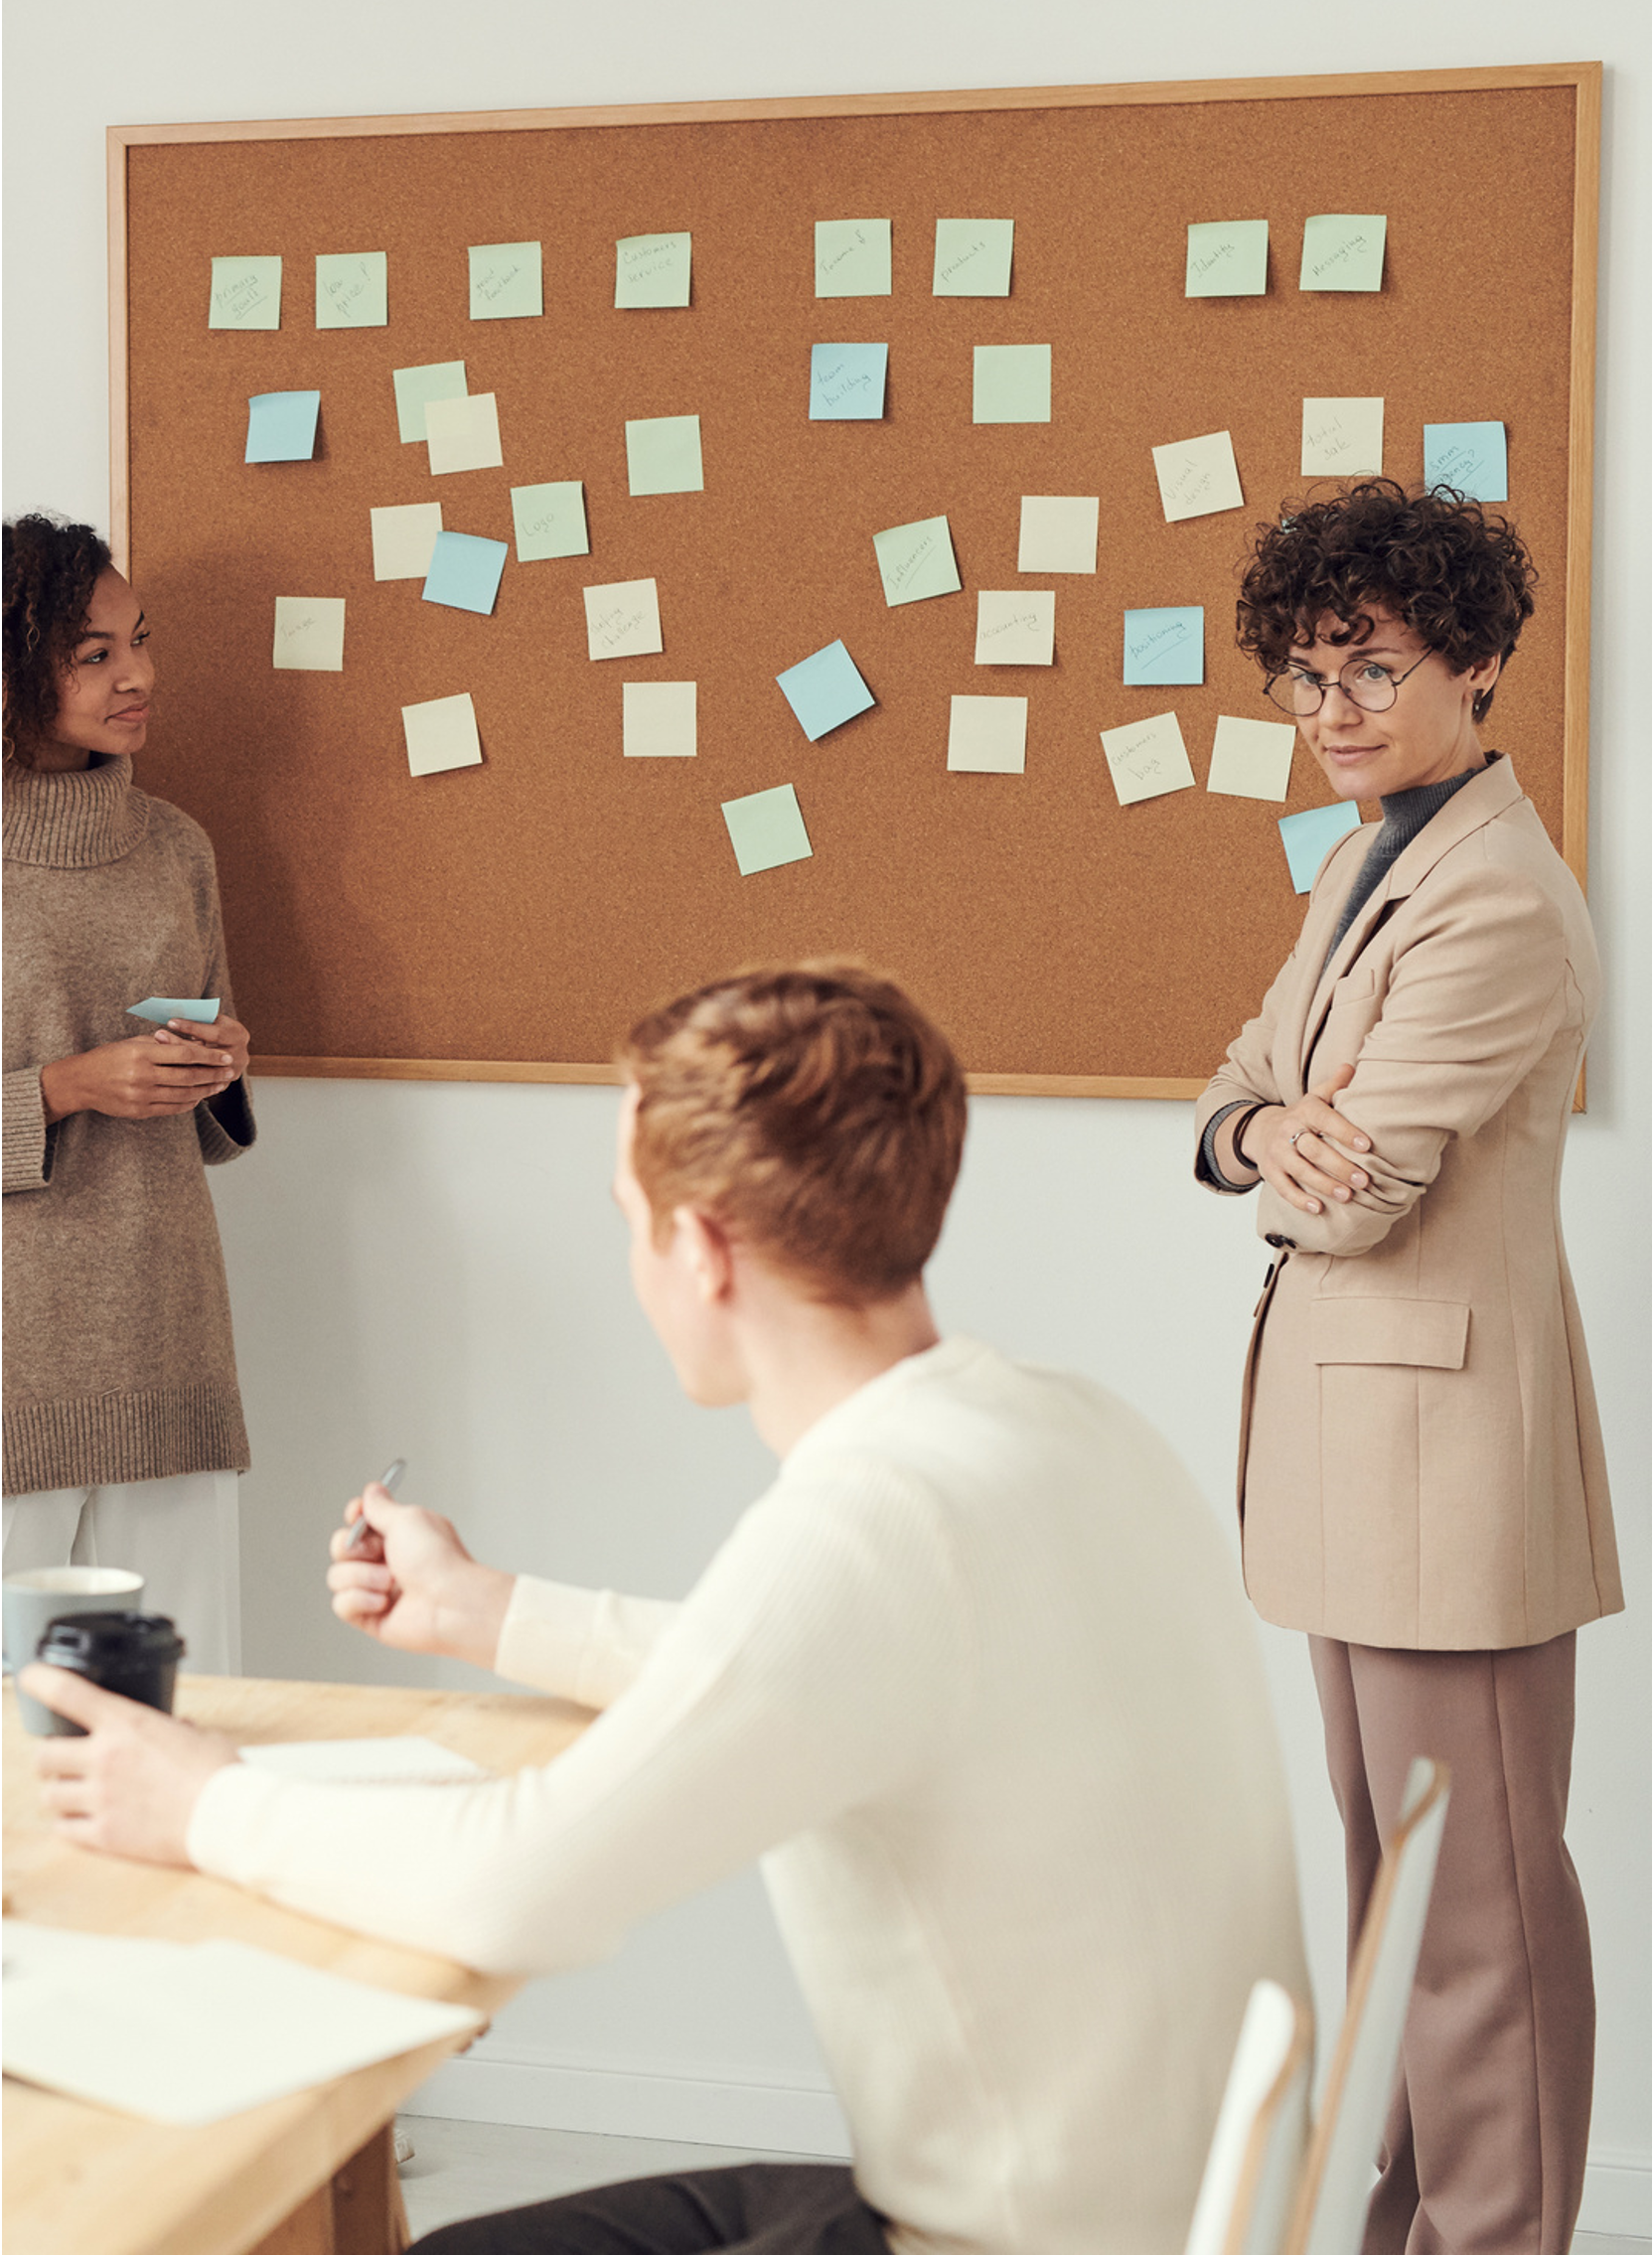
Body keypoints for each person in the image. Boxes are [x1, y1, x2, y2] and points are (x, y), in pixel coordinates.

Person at [25, 962, 1306, 2255]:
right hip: (1174, 2214)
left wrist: (204, 1801)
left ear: (699, 1247)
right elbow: (811, 1673)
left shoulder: (873, 1520)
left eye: (628, 1219)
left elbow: (514, 1884)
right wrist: (489, 1612)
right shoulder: (1063, 1425)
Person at [1194, 480, 1621, 2255]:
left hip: (1444, 1467)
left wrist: (1286, 1141)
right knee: (1400, 1901)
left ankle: (1491, 2238)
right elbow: (1232, 1091)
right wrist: (1264, 1128)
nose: (1333, 711)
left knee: (1476, 1925)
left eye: (1370, 669)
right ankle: (1409, 2232)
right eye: (1305, 676)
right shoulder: (1365, 859)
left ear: (1478, 660)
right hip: (1353, 1459)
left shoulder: (1494, 896)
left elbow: (1356, 1195)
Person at [3, 514, 254, 1674]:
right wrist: (69, 1085)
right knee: (17, 1721)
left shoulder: (175, 848)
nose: (137, 674)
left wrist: (216, 1068)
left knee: (192, 1691)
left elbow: (210, 1128)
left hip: (166, 1327)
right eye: (92, 653)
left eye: (140, 640)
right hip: (16, 1353)